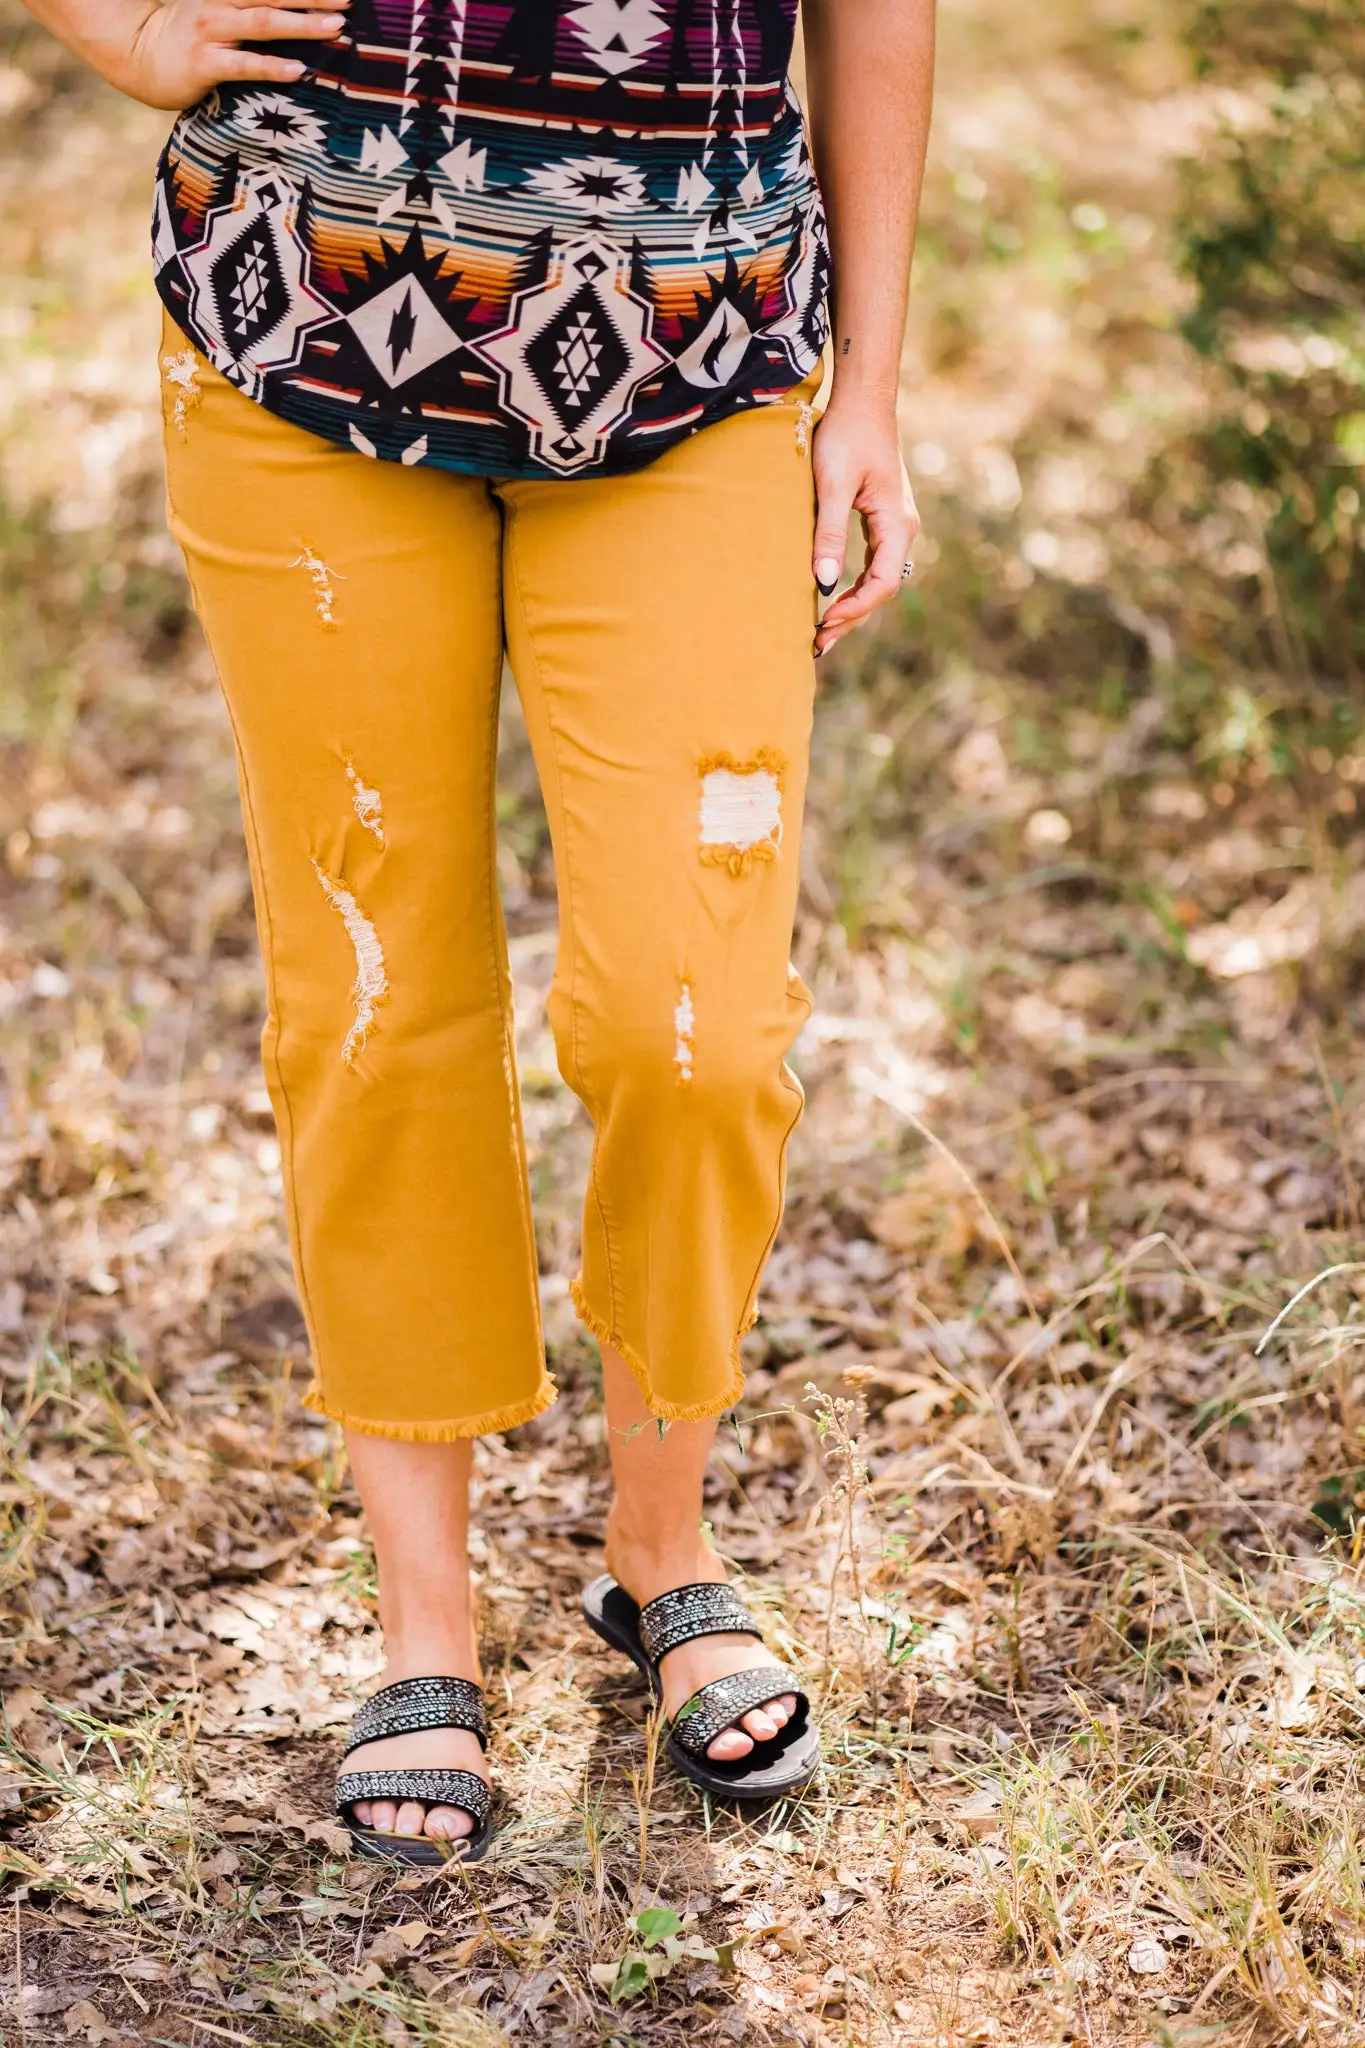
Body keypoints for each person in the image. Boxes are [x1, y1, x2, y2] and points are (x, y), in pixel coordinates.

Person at [21, 0, 933, 1862]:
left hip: (704, 351)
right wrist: (106, 21)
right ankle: (426, 1629)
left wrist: (876, 390)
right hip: (304, 331)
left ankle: (659, 1548)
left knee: (699, 1025)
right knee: (375, 998)